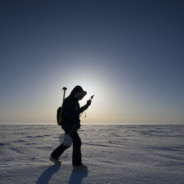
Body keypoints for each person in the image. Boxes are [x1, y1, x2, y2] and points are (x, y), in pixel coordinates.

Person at [50, 85, 92, 170]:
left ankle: (54, 156)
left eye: (83, 96)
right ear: (76, 93)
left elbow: (77, 112)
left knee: (68, 143)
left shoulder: (76, 102)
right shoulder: (67, 101)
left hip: (72, 126)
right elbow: (69, 114)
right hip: (68, 125)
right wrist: (76, 115)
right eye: (80, 95)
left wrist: (86, 106)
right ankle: (77, 165)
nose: (82, 97)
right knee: (77, 142)